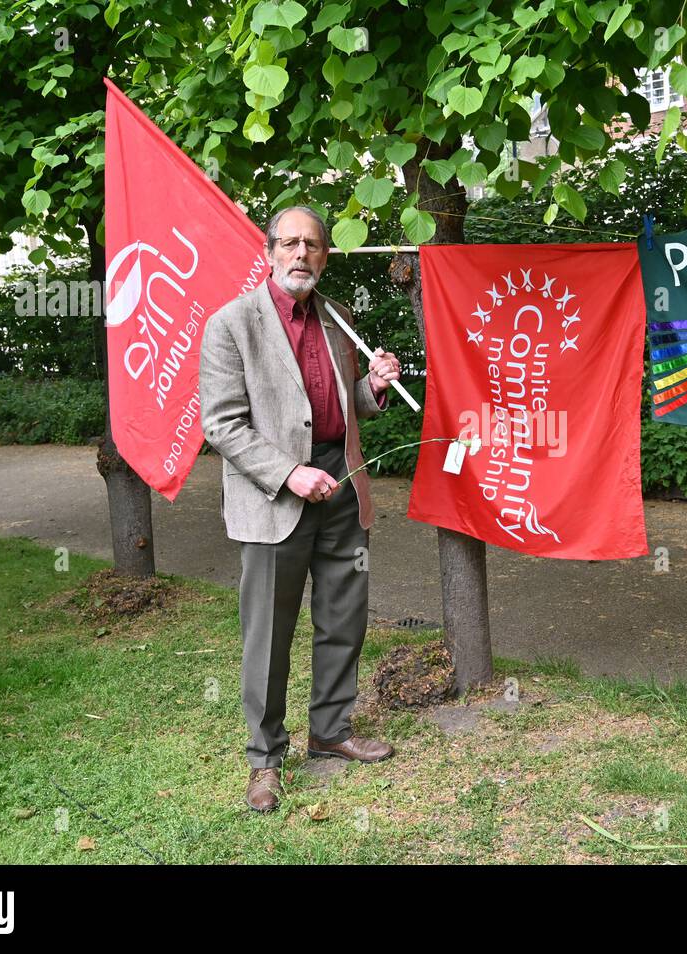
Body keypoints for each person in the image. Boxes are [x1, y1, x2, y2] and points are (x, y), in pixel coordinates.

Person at [199, 204, 402, 813]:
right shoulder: (231, 325)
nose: (301, 255)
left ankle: (331, 732)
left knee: (344, 617)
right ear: (268, 253)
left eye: (312, 245)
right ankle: (265, 760)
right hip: (274, 498)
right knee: (269, 635)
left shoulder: (337, 321)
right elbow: (222, 426)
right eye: (289, 243)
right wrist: (291, 472)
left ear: (325, 255)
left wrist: (373, 389)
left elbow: (339, 407)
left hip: (343, 484)